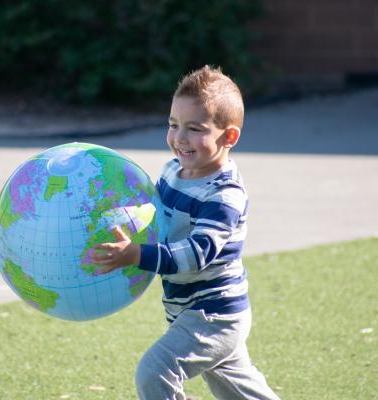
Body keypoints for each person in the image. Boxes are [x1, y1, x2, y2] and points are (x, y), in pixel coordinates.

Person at [91, 65, 280, 400]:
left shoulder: (224, 194)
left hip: (215, 314)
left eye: (195, 129)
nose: (179, 138)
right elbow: (153, 216)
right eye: (173, 124)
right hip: (189, 309)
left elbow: (195, 254)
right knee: (241, 392)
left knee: (155, 371)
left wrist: (136, 255)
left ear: (229, 137)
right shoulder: (172, 172)